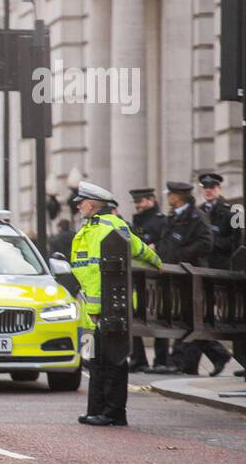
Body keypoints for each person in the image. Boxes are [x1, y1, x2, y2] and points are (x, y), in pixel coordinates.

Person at [71, 181, 162, 426]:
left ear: (92, 204)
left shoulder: (113, 225)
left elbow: (140, 250)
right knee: (97, 361)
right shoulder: (87, 230)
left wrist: (158, 263)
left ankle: (113, 413)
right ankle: (97, 410)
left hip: (112, 306)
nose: (78, 206)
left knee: (113, 360)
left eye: (81, 202)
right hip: (94, 309)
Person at [153, 181, 228, 376]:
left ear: (178, 196)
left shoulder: (196, 216)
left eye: (169, 194)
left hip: (190, 275)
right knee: (184, 318)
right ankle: (199, 359)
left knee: (188, 319)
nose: (167, 197)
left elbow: (206, 243)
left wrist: (180, 255)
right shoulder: (174, 216)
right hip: (174, 274)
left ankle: (184, 361)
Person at [127, 187, 168, 372]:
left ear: (151, 200)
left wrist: (155, 248)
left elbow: (164, 244)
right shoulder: (137, 220)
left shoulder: (160, 221)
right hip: (139, 276)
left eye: (141, 201)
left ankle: (161, 359)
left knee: (159, 317)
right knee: (135, 315)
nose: (137, 205)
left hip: (156, 275)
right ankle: (138, 358)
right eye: (135, 202)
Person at [198, 173, 237, 269]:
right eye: (205, 187)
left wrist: (213, 241)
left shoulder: (231, 212)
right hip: (202, 265)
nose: (208, 190)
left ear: (219, 188)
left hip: (222, 265)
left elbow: (236, 240)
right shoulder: (198, 211)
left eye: (212, 187)